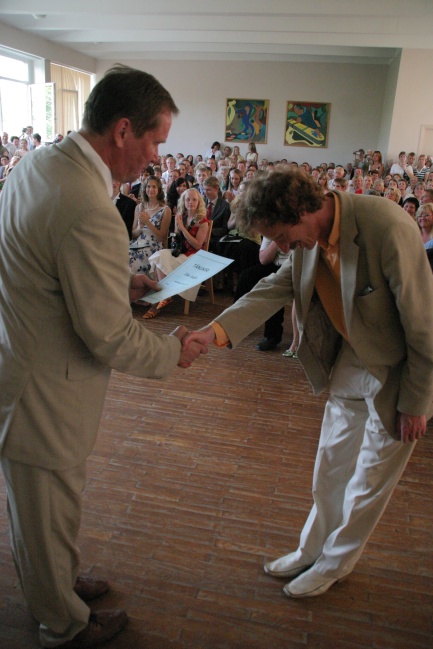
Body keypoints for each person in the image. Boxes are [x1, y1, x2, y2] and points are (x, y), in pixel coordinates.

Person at [0, 64, 206, 649]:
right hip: (42, 390)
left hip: (29, 367)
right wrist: (171, 352)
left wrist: (120, 283)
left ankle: (61, 582)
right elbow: (109, 335)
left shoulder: (42, 164)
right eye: (155, 141)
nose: (157, 158)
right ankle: (61, 625)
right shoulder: (88, 204)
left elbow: (50, 268)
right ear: (122, 130)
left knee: (55, 506)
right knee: (42, 514)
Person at [184, 169, 433, 599]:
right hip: (351, 360)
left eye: (281, 236)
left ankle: (335, 564)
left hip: (399, 372)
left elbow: (425, 325)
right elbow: (274, 287)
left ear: (303, 210)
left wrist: (417, 403)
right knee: (329, 469)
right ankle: (311, 550)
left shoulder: (387, 226)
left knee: (369, 482)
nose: (281, 248)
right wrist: (214, 331)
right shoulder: (307, 237)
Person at [144, 188, 209, 318]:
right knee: (159, 256)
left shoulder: (203, 221)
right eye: (188, 199)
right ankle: (165, 294)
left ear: (199, 202)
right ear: (183, 201)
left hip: (194, 256)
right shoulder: (181, 217)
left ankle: (157, 302)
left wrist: (182, 228)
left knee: (160, 263)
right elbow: (175, 241)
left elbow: (197, 245)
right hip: (180, 251)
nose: (190, 202)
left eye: (194, 199)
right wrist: (176, 229)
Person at [129, 175, 171, 274]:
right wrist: (140, 227)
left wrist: (147, 222)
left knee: (131, 259)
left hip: (154, 246)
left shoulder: (165, 210)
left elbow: (162, 237)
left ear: (159, 189)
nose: (151, 189)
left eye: (154, 187)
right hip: (137, 244)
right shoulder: (139, 207)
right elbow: (133, 234)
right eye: (148, 186)